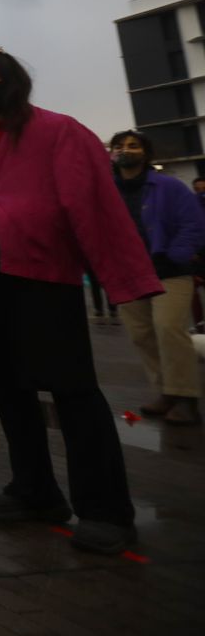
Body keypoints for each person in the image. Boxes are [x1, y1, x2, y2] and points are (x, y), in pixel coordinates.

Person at [0, 48, 160, 555]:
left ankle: (105, 510)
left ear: (14, 81)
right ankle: (34, 490)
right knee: (7, 389)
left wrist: (1, 215)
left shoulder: (59, 131)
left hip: (41, 277)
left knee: (73, 391)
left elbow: (88, 206)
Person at [108, 130, 205, 425]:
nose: (126, 150)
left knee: (168, 329)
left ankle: (186, 398)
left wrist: (175, 254)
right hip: (128, 274)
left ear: (146, 153)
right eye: (120, 146)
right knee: (141, 334)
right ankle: (166, 392)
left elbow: (194, 223)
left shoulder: (169, 186)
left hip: (169, 272)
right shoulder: (106, 190)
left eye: (133, 146)